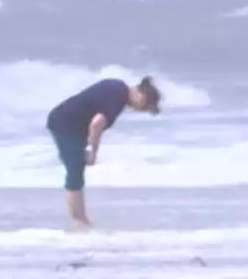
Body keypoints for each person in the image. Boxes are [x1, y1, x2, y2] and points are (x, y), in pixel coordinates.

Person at [45, 76, 162, 230]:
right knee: (75, 172)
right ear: (142, 96)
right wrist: (93, 152)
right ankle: (79, 221)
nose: (141, 110)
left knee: (76, 167)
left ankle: (80, 219)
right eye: (146, 106)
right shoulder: (118, 97)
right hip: (66, 125)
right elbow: (96, 124)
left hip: (68, 123)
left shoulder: (117, 87)